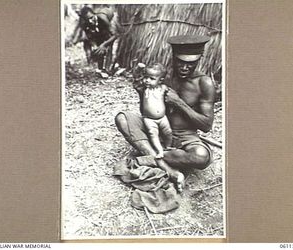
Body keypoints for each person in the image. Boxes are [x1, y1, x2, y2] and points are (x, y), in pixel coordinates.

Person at [115, 35, 216, 192]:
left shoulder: (204, 83)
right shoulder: (162, 78)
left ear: (199, 60)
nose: (184, 67)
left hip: (185, 137)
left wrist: (178, 102)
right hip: (157, 130)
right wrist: (142, 95)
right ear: (173, 57)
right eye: (180, 62)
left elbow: (206, 125)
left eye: (191, 64)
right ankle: (168, 168)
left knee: (201, 156)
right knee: (122, 118)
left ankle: (148, 155)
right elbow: (147, 114)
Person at [133, 63, 173, 159]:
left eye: (152, 78)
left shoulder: (163, 88)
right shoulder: (145, 89)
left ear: (160, 80)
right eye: (146, 77)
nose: (147, 80)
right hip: (149, 119)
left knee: (168, 132)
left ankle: (168, 146)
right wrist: (138, 69)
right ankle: (159, 151)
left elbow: (171, 92)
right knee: (153, 134)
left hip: (163, 118)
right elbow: (136, 81)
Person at [70, 5, 122, 73]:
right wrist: (95, 46)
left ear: (94, 14)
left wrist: (104, 45)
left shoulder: (102, 18)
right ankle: (100, 68)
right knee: (99, 46)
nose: (90, 21)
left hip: (111, 18)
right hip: (100, 26)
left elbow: (115, 35)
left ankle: (107, 69)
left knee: (108, 43)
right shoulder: (85, 24)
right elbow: (90, 38)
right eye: (87, 19)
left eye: (91, 18)